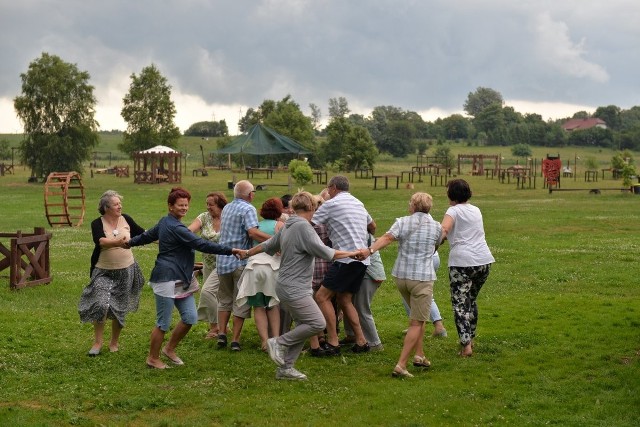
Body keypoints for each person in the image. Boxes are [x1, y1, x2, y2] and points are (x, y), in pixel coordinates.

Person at [240, 191, 359, 380]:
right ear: (312, 207)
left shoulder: (288, 225)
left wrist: (247, 253)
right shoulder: (304, 227)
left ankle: (285, 369)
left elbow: (267, 245)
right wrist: (352, 253)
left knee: (305, 324)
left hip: (287, 285)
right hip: (294, 288)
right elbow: (325, 251)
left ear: (294, 207)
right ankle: (278, 342)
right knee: (317, 323)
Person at [126, 187, 244, 369]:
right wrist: (230, 250)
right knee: (163, 323)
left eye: (186, 205)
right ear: (170, 206)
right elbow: (200, 244)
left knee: (190, 317)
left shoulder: (167, 223)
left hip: (182, 278)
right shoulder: (173, 226)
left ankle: (169, 349)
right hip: (166, 278)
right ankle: (152, 358)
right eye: (180, 205)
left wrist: (129, 243)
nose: (184, 208)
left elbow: (147, 236)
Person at [356, 192, 442, 378]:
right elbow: (436, 246)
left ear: (412, 206)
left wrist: (370, 250)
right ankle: (401, 365)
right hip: (422, 278)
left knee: (417, 319)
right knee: (417, 322)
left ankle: (419, 355)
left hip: (402, 278)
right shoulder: (437, 227)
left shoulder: (402, 222)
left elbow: (387, 238)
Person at [312, 175, 376, 354]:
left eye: (328, 189)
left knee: (322, 297)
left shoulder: (331, 205)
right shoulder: (359, 203)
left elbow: (310, 223)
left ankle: (333, 341)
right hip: (362, 259)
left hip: (345, 259)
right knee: (344, 299)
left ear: (333, 188)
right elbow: (373, 226)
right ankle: (361, 341)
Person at [78, 190, 145, 356]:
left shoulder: (126, 219)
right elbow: (100, 241)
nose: (119, 206)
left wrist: (163, 239)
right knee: (101, 304)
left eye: (119, 203)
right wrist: (117, 242)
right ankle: (97, 342)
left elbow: (143, 234)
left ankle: (114, 342)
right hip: (103, 271)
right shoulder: (97, 223)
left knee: (120, 308)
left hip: (126, 270)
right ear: (106, 207)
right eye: (116, 204)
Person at [440, 178, 495, 358]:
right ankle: (470, 338)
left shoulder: (453, 210)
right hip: (483, 261)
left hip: (462, 263)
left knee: (460, 305)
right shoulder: (476, 209)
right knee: (470, 300)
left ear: (451, 194)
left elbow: (444, 230)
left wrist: (433, 246)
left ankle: (466, 346)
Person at [216, 180, 272, 351]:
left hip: (222, 259)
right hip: (240, 260)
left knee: (224, 300)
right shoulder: (248, 209)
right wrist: (274, 241)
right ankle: (235, 340)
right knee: (240, 301)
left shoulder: (227, 208)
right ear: (250, 195)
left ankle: (222, 334)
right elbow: (252, 232)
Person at [236, 197, 284, 350]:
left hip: (254, 268)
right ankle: (275, 339)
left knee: (258, 306)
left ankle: (264, 341)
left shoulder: (256, 226)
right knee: (273, 305)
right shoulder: (280, 225)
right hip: (272, 268)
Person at [188, 191, 228, 339]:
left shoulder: (228, 218)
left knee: (207, 292)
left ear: (220, 205)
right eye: (207, 204)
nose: (208, 207)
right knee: (213, 295)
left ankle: (218, 327)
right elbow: (189, 230)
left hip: (225, 263)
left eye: (211, 204)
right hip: (208, 262)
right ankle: (216, 328)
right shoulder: (204, 217)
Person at [341, 233, 386, 352]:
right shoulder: (356, 231)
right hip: (360, 272)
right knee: (347, 302)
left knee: (361, 308)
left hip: (370, 274)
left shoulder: (360, 233)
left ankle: (374, 343)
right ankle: (351, 335)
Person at [401, 251, 447, 338]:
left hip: (419, 259)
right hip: (433, 257)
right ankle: (436, 326)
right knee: (424, 292)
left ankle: (433, 327)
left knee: (410, 291)